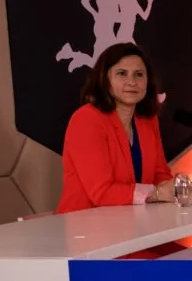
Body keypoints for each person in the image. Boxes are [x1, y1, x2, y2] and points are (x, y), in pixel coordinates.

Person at [56, 42, 176, 214]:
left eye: (139, 74)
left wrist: (175, 188)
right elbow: (102, 193)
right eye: (122, 73)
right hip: (84, 224)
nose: (132, 82)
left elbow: (160, 175)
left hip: (136, 221)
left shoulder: (148, 120)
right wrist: (156, 194)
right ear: (104, 79)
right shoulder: (86, 119)